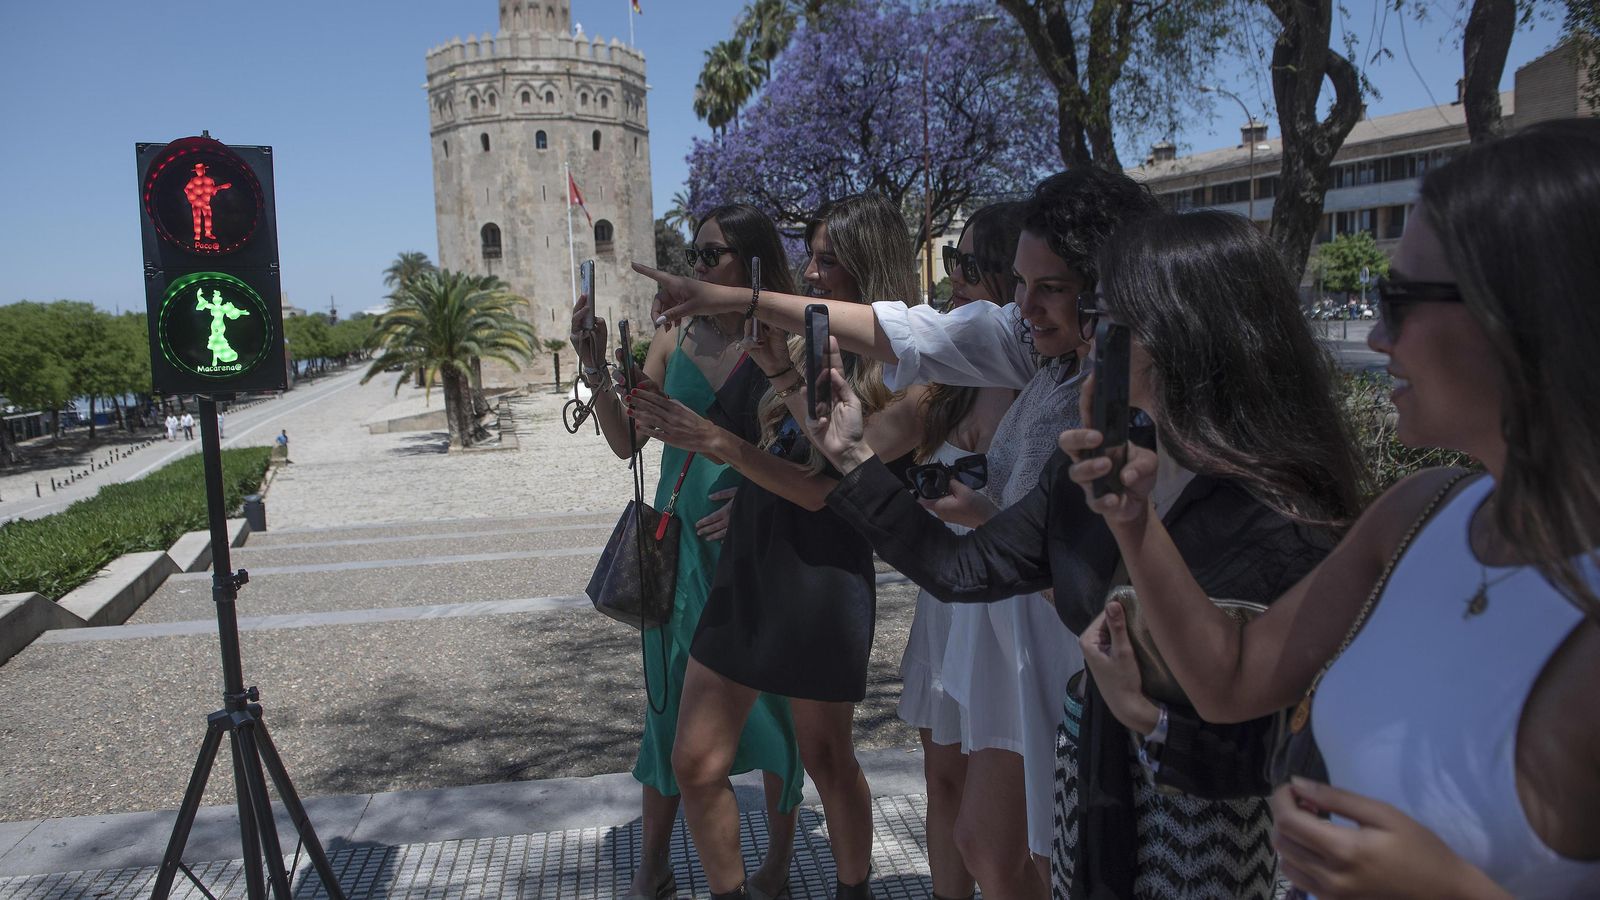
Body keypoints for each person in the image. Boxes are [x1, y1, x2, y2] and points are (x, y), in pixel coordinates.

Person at [1065, 120, 1600, 898]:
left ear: (1528, 315)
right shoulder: (1420, 512)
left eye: (1400, 298)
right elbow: (1234, 678)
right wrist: (1132, 516)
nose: (1377, 336)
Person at [808, 208, 1366, 898]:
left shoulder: (1281, 510)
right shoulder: (1098, 473)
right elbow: (964, 568)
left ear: (1184, 333)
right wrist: (853, 458)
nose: (1085, 343)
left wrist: (1151, 722)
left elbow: (1299, 741)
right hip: (1094, 795)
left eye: (1106, 319)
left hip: (1208, 848)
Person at [636, 170, 1155, 897]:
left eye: (1046, 286)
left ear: (1105, 288)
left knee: (1041, 851)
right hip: (982, 603)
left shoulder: (1121, 388)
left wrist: (743, 436)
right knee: (989, 837)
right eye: (996, 276)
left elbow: (836, 478)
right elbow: (885, 386)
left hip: (1046, 641)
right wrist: (769, 349)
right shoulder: (1038, 355)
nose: (1016, 300)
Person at [628, 193, 925, 900]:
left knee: (827, 758)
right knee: (696, 762)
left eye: (829, 261)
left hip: (819, 582)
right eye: (812, 257)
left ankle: (853, 888)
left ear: (871, 267)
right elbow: (756, 444)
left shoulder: (911, 386)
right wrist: (746, 478)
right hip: (746, 569)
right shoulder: (793, 346)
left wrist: (724, 448)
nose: (812, 274)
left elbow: (827, 490)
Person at [571, 204, 807, 900]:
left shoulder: (785, 340)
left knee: (777, 707)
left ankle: (780, 864)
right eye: (695, 256)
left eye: (712, 256)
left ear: (753, 263)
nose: (697, 269)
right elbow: (625, 442)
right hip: (679, 551)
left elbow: (809, 449)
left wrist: (763, 506)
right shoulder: (672, 337)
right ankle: (654, 865)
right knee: (667, 707)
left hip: (762, 543)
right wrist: (595, 369)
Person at [897, 202, 1023, 900]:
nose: (955, 277)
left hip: (1013, 615)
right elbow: (853, 446)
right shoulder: (944, 385)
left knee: (1006, 828)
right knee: (942, 782)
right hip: (947, 603)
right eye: (953, 259)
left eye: (972, 265)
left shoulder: (1046, 382)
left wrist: (989, 515)